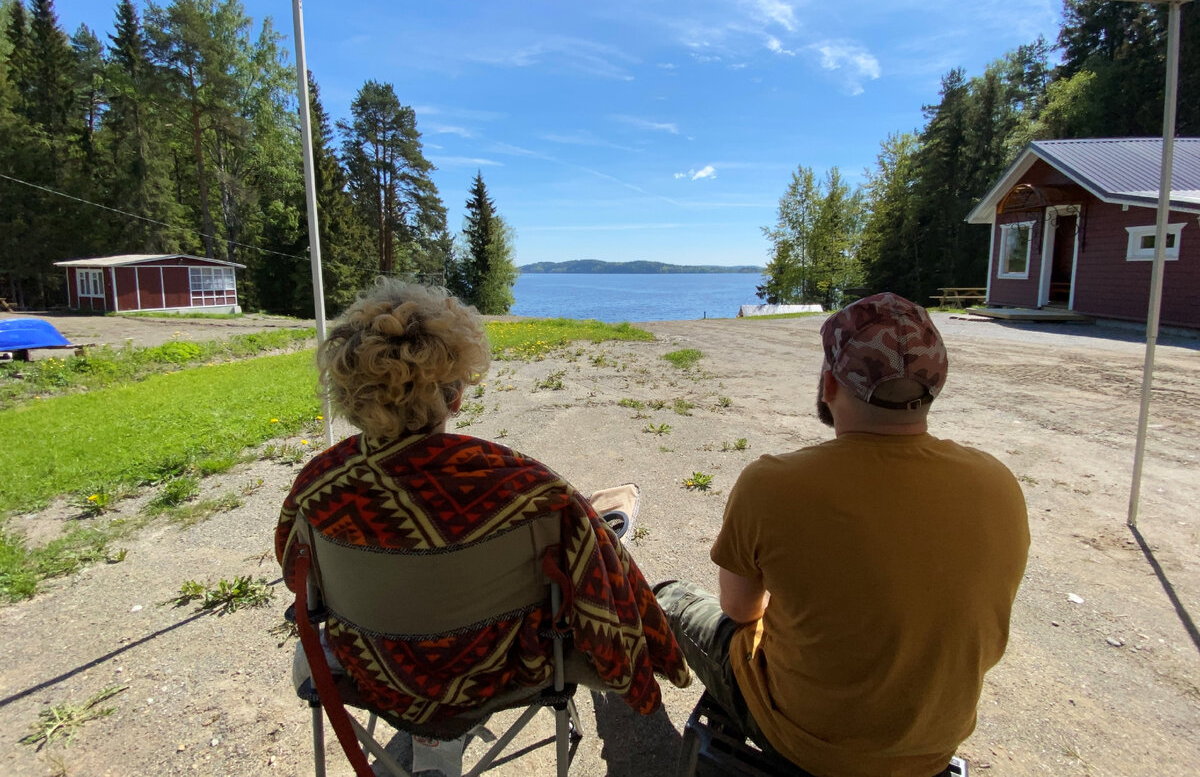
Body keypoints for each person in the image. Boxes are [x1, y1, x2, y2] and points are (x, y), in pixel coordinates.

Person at [276, 279, 689, 736]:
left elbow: (300, 577)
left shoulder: (316, 487)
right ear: (454, 395)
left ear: (350, 395)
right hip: (502, 673)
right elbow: (601, 587)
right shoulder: (527, 488)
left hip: (373, 672)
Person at [656, 292, 1029, 777]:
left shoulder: (773, 484)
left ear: (829, 383)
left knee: (672, 599)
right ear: (934, 384)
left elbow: (740, 612)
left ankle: (626, 676)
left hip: (806, 743)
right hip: (933, 742)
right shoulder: (996, 482)